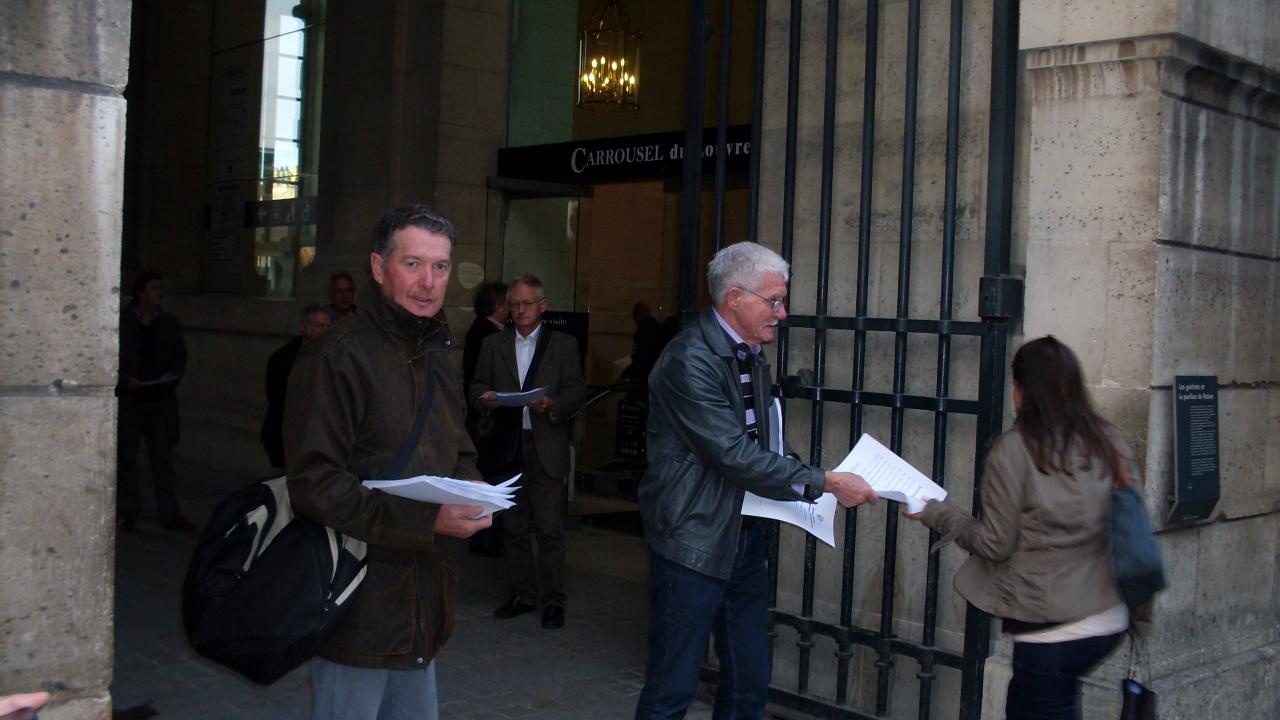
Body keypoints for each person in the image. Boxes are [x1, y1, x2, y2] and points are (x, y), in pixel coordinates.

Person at [634, 242, 877, 719]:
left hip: (744, 536)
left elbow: (759, 444)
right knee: (672, 687)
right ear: (734, 298)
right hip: (693, 540)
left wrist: (802, 469)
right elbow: (735, 455)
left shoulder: (750, 353)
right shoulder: (690, 360)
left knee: (749, 682)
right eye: (773, 301)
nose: (782, 313)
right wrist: (824, 481)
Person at [283, 204, 491, 720]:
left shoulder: (436, 350)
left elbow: (456, 444)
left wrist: (472, 490)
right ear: (378, 268)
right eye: (413, 264)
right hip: (355, 604)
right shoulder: (336, 355)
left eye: (440, 267)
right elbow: (314, 482)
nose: (428, 282)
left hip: (422, 600)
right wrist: (429, 519)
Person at [905, 336, 1133, 719]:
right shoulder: (1107, 440)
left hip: (1051, 624)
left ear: (1020, 389)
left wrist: (939, 514)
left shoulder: (1016, 449)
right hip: (1107, 617)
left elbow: (995, 543)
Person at [470, 274, 586, 630]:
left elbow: (576, 391)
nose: (520, 310)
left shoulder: (563, 345)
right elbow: (475, 385)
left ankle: (553, 599)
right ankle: (522, 594)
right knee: (514, 527)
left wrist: (553, 404)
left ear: (542, 306)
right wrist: (485, 400)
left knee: (550, 528)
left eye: (527, 304)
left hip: (545, 444)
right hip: (508, 445)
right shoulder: (493, 344)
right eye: (515, 304)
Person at [116, 269, 192, 533]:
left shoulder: (168, 323)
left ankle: (169, 512)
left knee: (163, 459)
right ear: (140, 292)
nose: (157, 294)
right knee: (127, 458)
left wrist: (173, 375)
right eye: (153, 289)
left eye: (160, 288)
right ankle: (128, 512)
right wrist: (126, 380)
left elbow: (180, 355)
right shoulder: (124, 322)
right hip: (132, 399)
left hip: (159, 397)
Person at [462, 281, 510, 558]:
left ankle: (485, 535)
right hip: (488, 418)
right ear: (499, 306)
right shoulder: (487, 334)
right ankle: (486, 536)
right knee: (491, 478)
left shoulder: (480, 331)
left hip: (485, 418)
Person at [259, 304, 336, 469]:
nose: (326, 330)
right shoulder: (283, 359)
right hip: (290, 435)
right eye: (320, 325)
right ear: (305, 328)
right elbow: (280, 399)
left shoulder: (335, 358)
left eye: (329, 326)